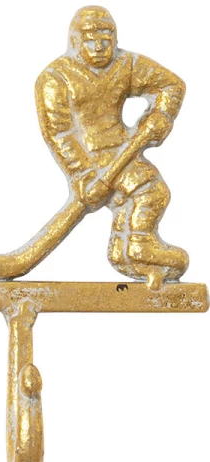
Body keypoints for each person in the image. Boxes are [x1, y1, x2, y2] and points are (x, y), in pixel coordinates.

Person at [34, 6, 187, 285]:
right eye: (91, 39)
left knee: (150, 193)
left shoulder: (125, 64)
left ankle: (128, 251)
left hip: (121, 150)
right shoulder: (55, 77)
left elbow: (171, 85)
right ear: (75, 41)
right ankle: (135, 248)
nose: (99, 47)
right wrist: (83, 175)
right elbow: (60, 133)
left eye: (106, 39)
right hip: (91, 160)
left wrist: (161, 115)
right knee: (151, 191)